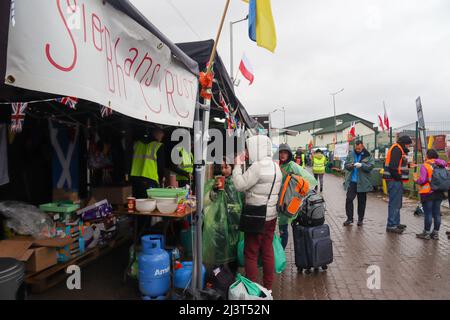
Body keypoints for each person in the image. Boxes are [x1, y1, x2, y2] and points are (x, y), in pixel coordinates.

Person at [232, 135, 282, 291]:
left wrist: (237, 166)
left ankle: (251, 288)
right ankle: (268, 288)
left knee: (251, 252)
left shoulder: (257, 167)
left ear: (256, 147)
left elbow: (240, 185)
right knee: (267, 250)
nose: (247, 151)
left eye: (248, 147)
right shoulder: (275, 166)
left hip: (256, 215)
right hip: (271, 215)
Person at [203, 159, 244, 274]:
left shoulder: (238, 182)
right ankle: (218, 273)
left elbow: (242, 199)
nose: (223, 170)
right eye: (221, 168)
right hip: (219, 220)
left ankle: (233, 272)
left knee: (233, 246)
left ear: (232, 167)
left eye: (226, 167)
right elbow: (208, 200)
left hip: (234, 220)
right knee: (219, 245)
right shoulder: (216, 182)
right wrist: (214, 190)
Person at [278, 144, 318, 249]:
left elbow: (305, 180)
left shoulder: (292, 165)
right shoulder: (276, 164)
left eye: (285, 153)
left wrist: (301, 193)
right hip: (275, 200)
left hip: (287, 201)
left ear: (289, 154)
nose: (282, 155)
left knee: (283, 227)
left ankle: (281, 250)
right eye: (281, 153)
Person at [413, 149, 447, 240]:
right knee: (436, 213)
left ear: (427, 156)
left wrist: (416, 180)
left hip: (428, 192)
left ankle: (426, 233)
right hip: (439, 192)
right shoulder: (442, 165)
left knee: (428, 213)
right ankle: (435, 234)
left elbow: (423, 180)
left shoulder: (426, 165)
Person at [383, 135, 413, 234]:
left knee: (397, 203)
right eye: (408, 145)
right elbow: (393, 167)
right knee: (394, 203)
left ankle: (396, 222)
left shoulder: (398, 148)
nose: (409, 147)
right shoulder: (397, 149)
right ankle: (391, 225)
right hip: (394, 180)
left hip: (395, 179)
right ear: (405, 143)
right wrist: (398, 178)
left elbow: (397, 165)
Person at [343, 141, 375, 226]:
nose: (357, 150)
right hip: (352, 182)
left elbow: (371, 166)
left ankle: (360, 220)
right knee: (349, 200)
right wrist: (351, 165)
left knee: (362, 202)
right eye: (356, 148)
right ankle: (349, 219)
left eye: (359, 149)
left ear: (362, 146)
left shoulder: (368, 155)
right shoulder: (351, 154)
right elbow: (346, 165)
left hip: (362, 182)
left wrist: (362, 165)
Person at [130, 128, 166, 198]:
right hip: (150, 179)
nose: (161, 139)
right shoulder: (158, 146)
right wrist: (161, 180)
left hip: (135, 179)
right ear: (157, 135)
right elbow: (161, 167)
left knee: (137, 203)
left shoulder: (137, 144)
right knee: (150, 204)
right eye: (161, 137)